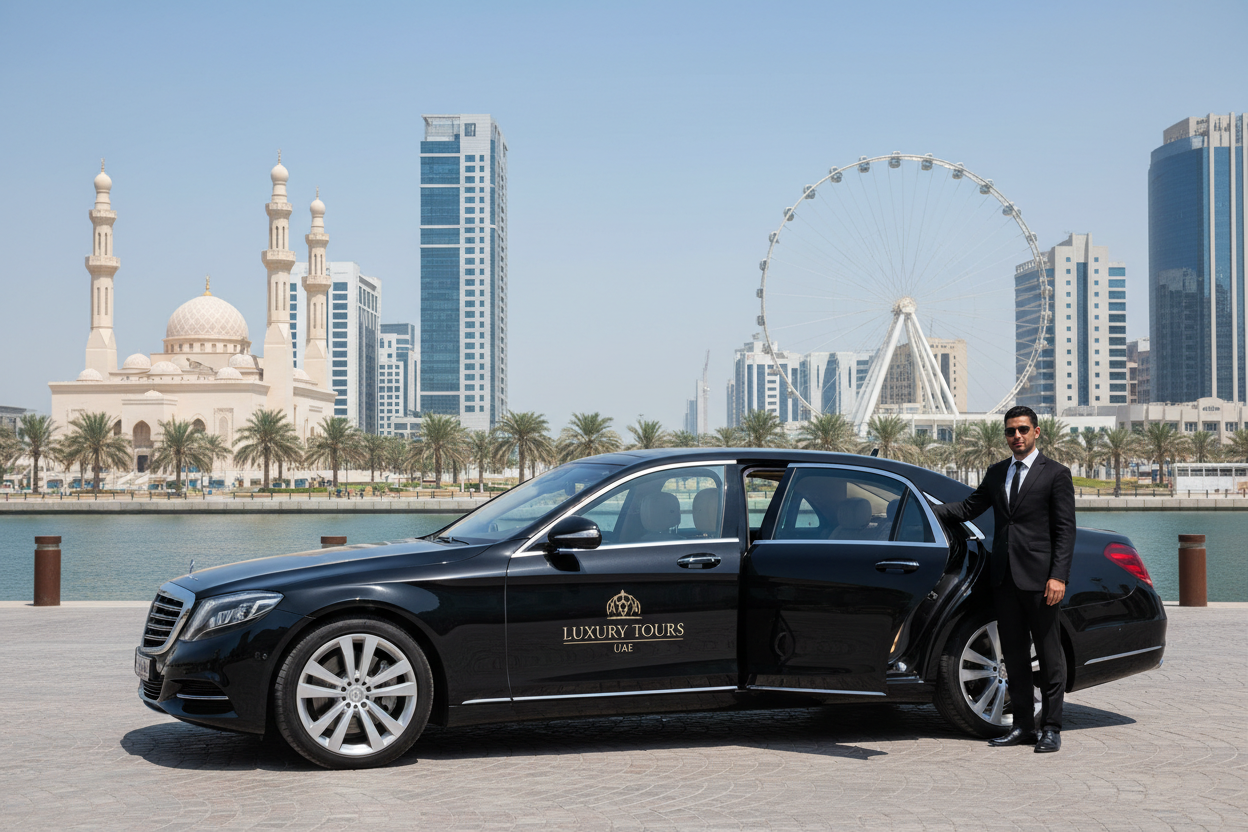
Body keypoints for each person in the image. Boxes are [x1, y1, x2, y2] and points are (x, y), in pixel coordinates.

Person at [935, 405, 1075, 753]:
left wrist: (1058, 577)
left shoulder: (1056, 474)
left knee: (1049, 656)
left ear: (1036, 432)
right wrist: (925, 511)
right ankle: (1023, 726)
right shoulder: (998, 472)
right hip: (1004, 579)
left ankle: (1051, 728)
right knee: (1013, 656)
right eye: (1011, 431)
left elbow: (1065, 531)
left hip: (1041, 581)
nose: (1017, 436)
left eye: (1023, 429)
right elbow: (969, 508)